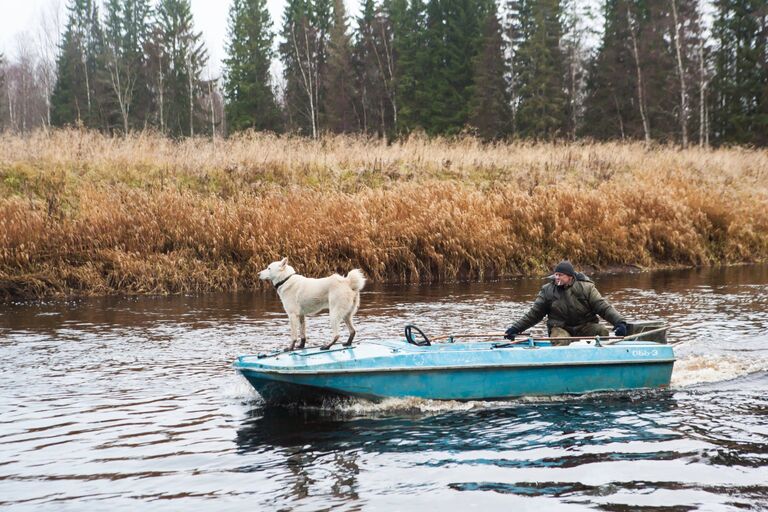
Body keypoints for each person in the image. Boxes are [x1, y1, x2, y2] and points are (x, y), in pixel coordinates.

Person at [504, 260, 628, 344]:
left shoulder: (586, 288)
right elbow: (534, 314)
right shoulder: (547, 291)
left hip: (584, 326)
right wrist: (515, 328)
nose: (557, 278)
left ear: (569, 276)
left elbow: (602, 307)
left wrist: (619, 322)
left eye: (561, 275)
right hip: (560, 328)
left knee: (602, 332)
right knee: (561, 339)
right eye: (556, 275)